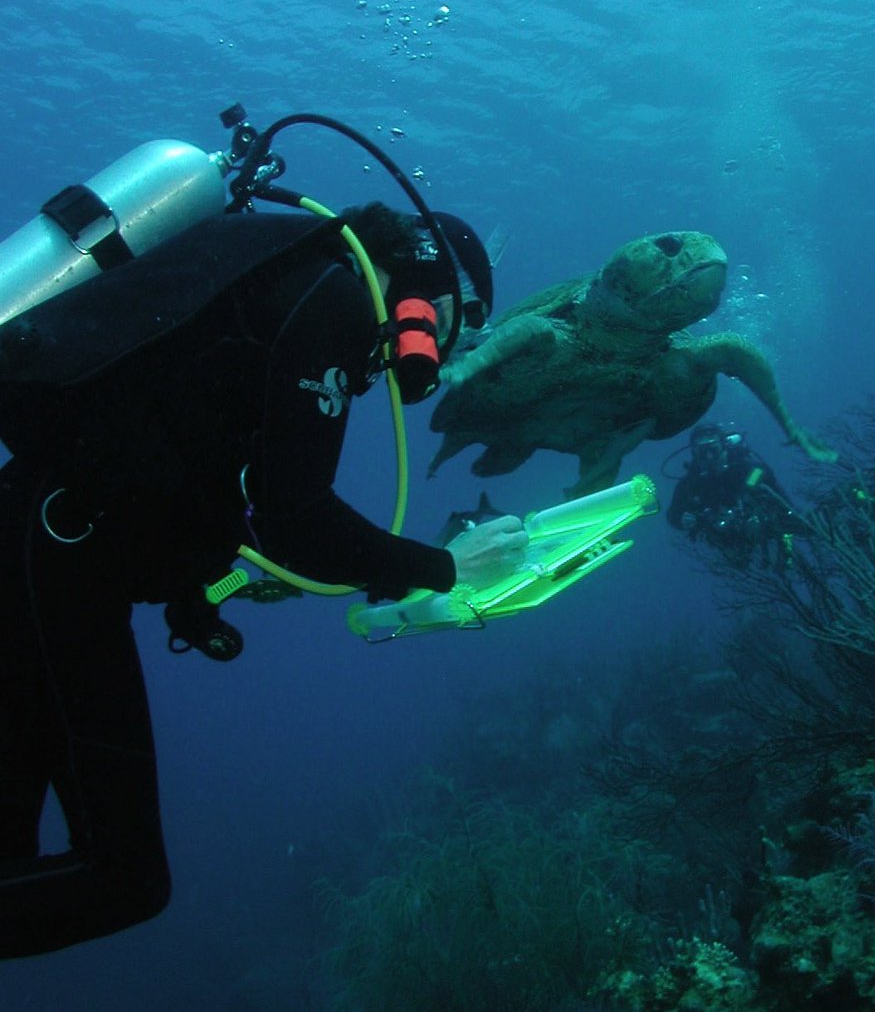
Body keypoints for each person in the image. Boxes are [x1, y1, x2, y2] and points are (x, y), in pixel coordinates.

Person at [0, 200, 528, 957]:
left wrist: (207, 586)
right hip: (52, 568)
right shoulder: (332, 298)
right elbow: (297, 518)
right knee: (124, 878)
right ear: (431, 287)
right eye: (459, 325)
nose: (442, 356)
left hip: (40, 551)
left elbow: (210, 473)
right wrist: (446, 566)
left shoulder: (288, 278)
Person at [666, 422, 798, 569]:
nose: (709, 457)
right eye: (702, 452)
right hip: (722, 532)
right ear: (694, 453)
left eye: (713, 450)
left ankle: (784, 551)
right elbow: (672, 515)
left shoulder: (752, 471)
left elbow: (784, 505)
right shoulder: (690, 483)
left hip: (761, 524)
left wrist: (764, 518)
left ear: (724, 446)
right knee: (737, 561)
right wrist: (683, 519)